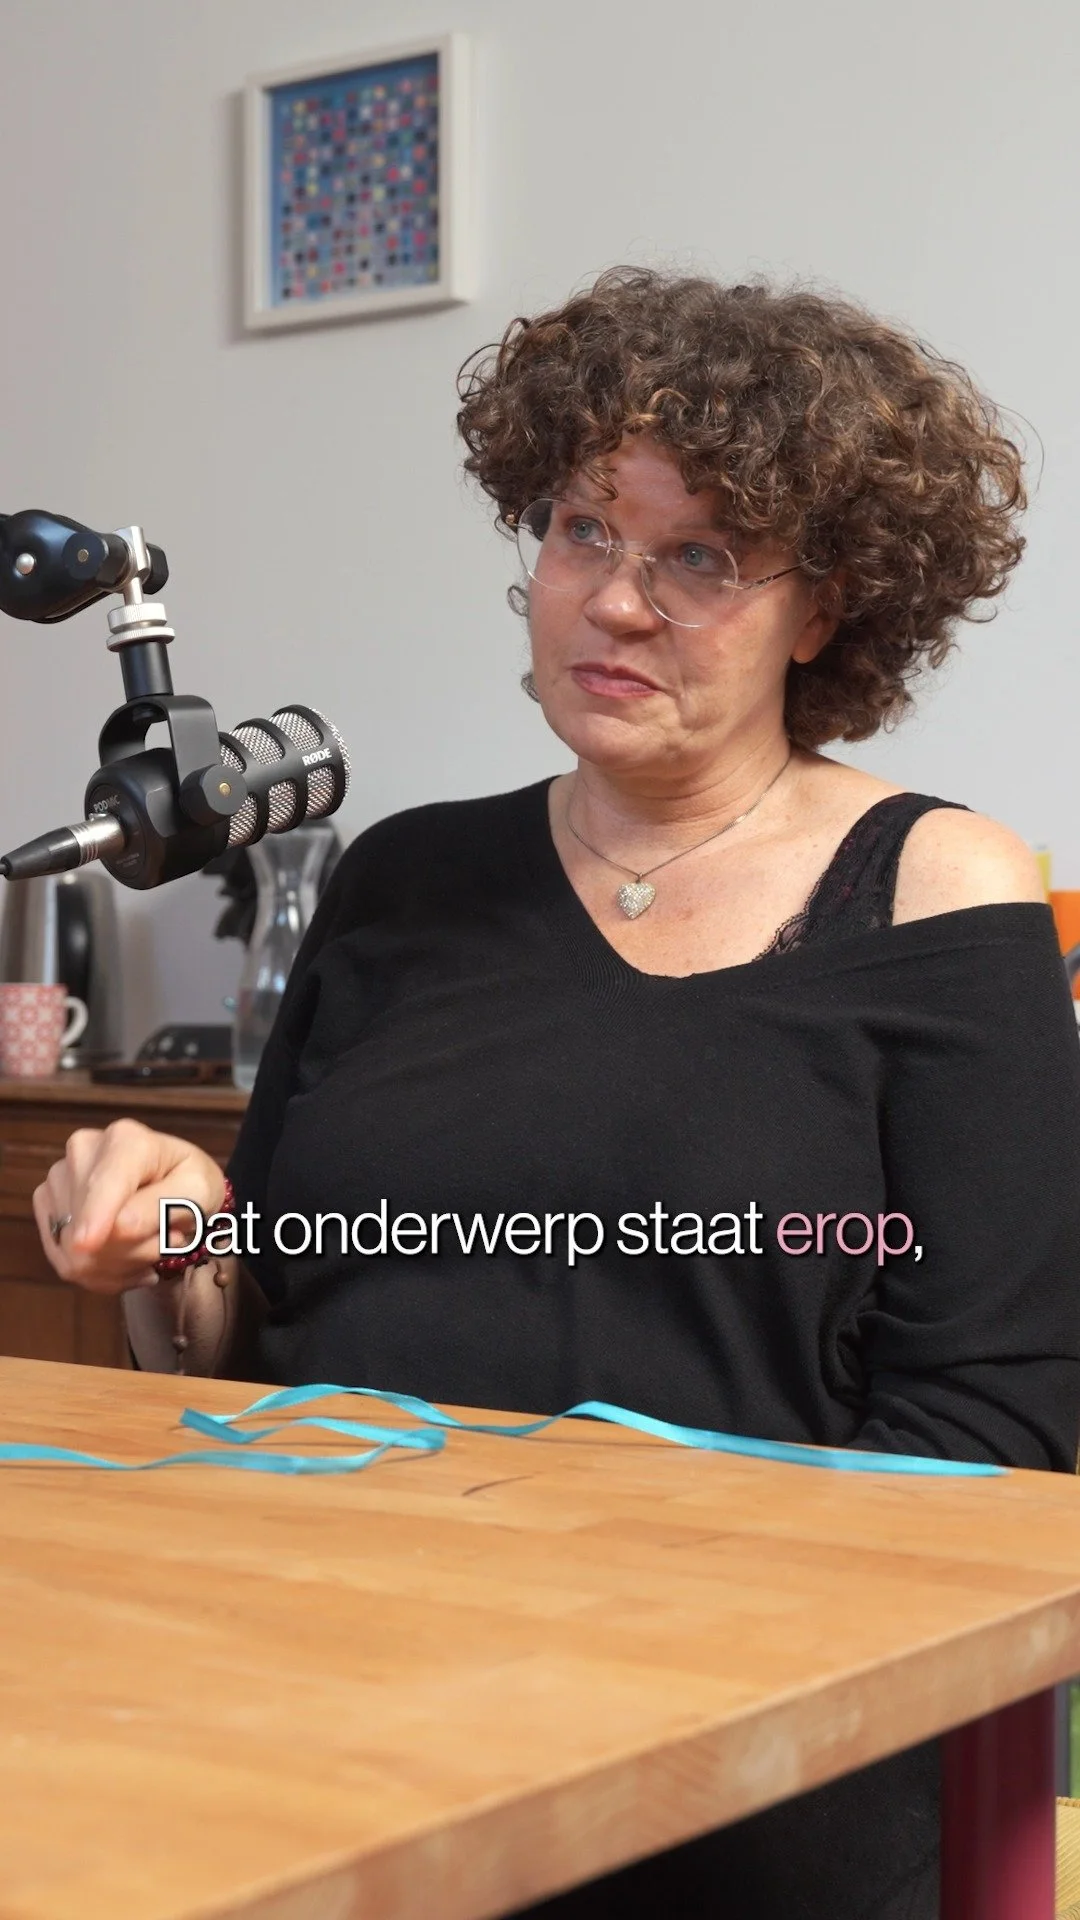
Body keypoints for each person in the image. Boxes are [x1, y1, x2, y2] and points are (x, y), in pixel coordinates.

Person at [32, 268, 1080, 1917]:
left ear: (828, 608)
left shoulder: (937, 889)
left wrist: (577, 1634)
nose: (616, 602)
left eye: (703, 558)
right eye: (585, 530)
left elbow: (996, 1439)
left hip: (730, 1750)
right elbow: (261, 1342)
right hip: (314, 1675)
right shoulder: (402, 877)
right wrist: (174, 1247)